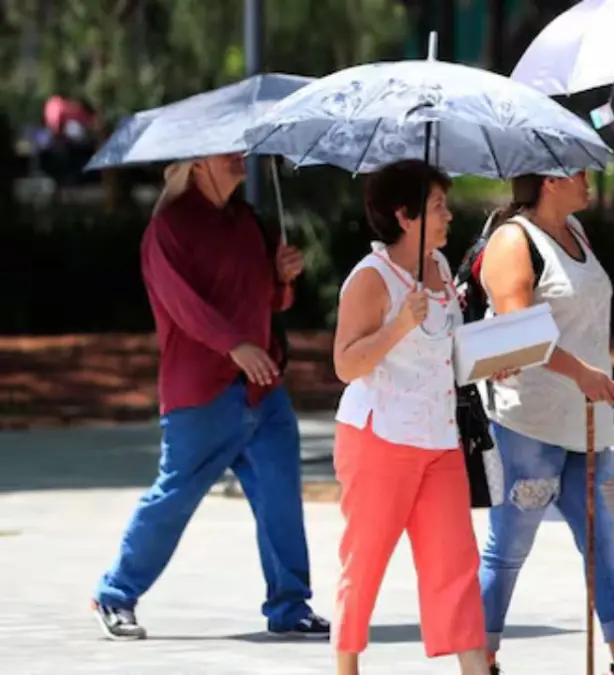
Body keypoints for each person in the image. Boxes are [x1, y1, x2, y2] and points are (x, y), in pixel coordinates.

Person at [92, 154, 328, 640]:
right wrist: (233, 345)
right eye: (228, 153)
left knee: (281, 499)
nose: (241, 160)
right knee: (173, 498)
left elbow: (268, 299)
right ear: (198, 163)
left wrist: (283, 277)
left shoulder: (247, 221)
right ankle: (115, 594)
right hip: (202, 394)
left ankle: (290, 607)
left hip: (264, 392)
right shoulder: (167, 229)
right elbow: (182, 305)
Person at [477, 172, 614, 675]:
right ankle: (479, 658)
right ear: (550, 180)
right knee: (509, 546)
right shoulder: (514, 240)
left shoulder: (576, 230)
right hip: (529, 422)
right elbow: (517, 332)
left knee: (605, 545)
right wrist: (583, 375)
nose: (589, 180)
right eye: (578, 171)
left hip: (588, 423)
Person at [330, 160, 489, 675]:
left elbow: (447, 351)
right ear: (404, 215)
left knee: (456, 565)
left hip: (439, 438)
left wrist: (491, 363)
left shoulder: (440, 267)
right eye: (438, 205)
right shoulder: (370, 279)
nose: (448, 215)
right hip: (380, 439)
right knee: (366, 560)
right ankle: (346, 666)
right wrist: (399, 324)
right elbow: (346, 363)